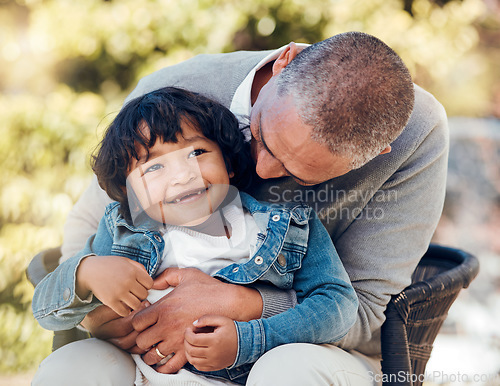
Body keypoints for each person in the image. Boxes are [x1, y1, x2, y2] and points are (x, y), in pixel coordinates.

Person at [33, 31, 449, 385]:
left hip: (307, 352)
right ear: (285, 63)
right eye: (260, 134)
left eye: (298, 174)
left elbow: (356, 309)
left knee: (288, 371)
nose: (260, 170)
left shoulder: (294, 226)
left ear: (375, 153)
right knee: (76, 367)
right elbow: (83, 238)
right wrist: (100, 311)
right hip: (147, 359)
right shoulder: (169, 101)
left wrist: (239, 309)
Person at [32, 87, 358, 385]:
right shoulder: (123, 231)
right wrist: (87, 273)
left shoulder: (289, 229)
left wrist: (250, 339)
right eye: (154, 168)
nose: (181, 177)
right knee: (71, 365)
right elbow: (46, 308)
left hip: (246, 375)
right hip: (142, 375)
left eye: (197, 152)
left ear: (228, 162)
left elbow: (337, 305)